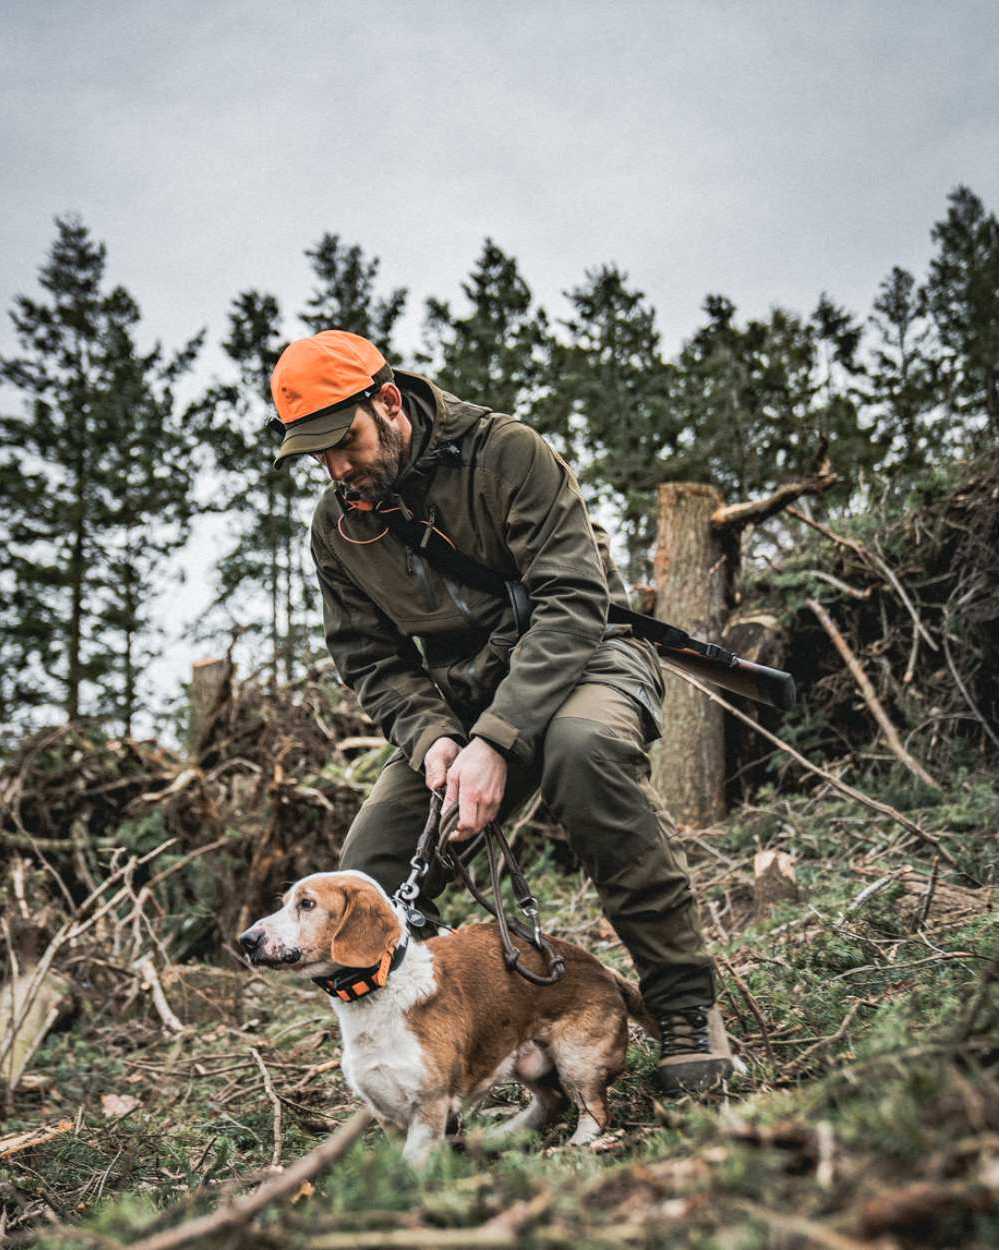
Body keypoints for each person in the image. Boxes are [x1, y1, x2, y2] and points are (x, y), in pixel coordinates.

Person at [269, 328, 732, 1093]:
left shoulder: (507, 453)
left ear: (389, 403)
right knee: (371, 870)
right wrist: (433, 740)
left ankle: (684, 1006)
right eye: (317, 455)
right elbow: (370, 658)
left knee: (585, 754)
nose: (337, 468)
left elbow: (572, 599)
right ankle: (422, 1053)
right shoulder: (337, 528)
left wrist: (496, 739)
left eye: (345, 442)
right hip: (461, 699)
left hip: (585, 654)